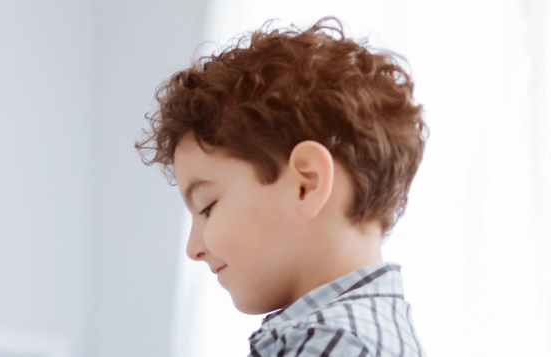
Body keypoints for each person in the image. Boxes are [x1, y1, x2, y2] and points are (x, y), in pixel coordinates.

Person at [136, 17, 427, 356]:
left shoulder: (334, 344)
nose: (193, 248)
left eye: (207, 207)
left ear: (307, 184)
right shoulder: (354, 332)